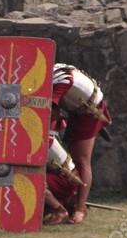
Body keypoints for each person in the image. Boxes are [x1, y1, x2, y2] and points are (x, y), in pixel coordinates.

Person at [42, 63, 111, 225]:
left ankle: (80, 208)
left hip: (89, 111)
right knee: (71, 162)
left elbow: (50, 113)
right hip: (75, 110)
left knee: (81, 161)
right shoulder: (51, 77)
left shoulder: (59, 82)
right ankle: (69, 201)